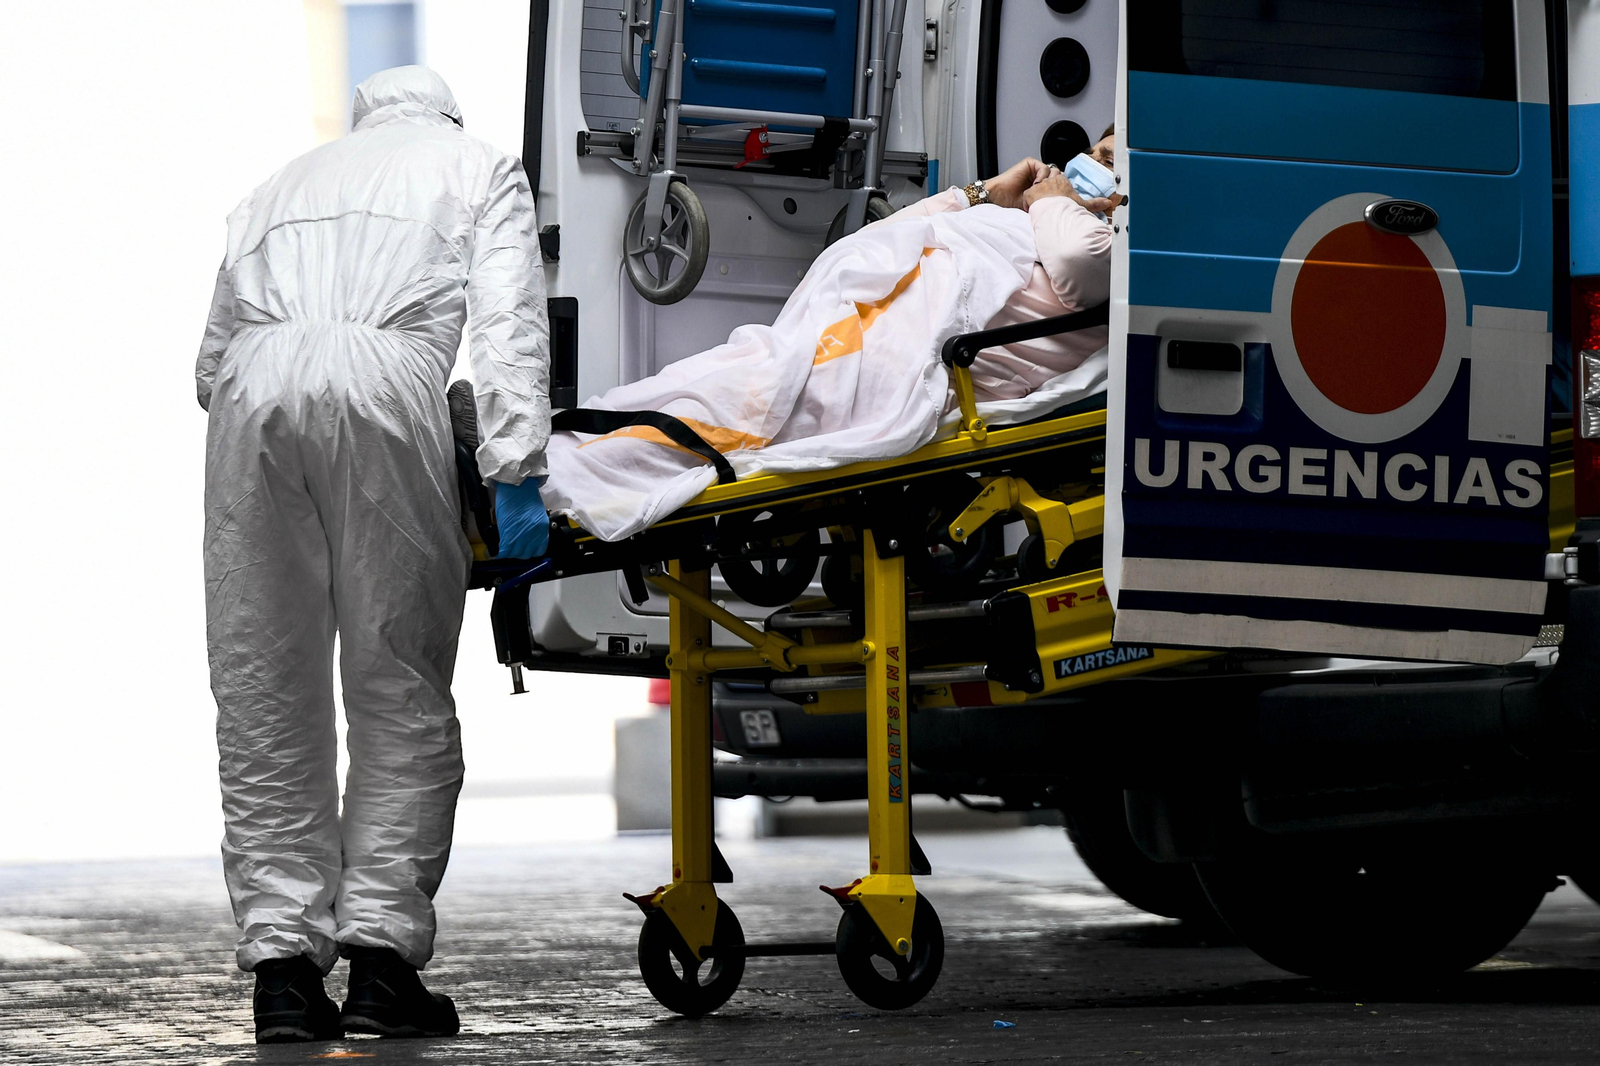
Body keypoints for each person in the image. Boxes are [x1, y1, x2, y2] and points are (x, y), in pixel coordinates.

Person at [195, 66, 551, 1044]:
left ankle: (281, 974)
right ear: (444, 115)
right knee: (397, 685)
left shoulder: (280, 184)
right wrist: (515, 464)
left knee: (267, 690)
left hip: (251, 401)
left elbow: (206, 366)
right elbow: (509, 319)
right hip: (387, 386)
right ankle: (384, 966)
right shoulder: (479, 167)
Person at [544, 139, 1122, 541]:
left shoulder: (1107, 247)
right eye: (1094, 152)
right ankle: (550, 444)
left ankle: (557, 476)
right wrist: (982, 193)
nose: (1085, 166)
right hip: (857, 329)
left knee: (731, 412)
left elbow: (1076, 259)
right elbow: (892, 237)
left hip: (897, 364)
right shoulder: (1032, 219)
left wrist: (1052, 201)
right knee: (708, 383)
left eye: (1110, 161)